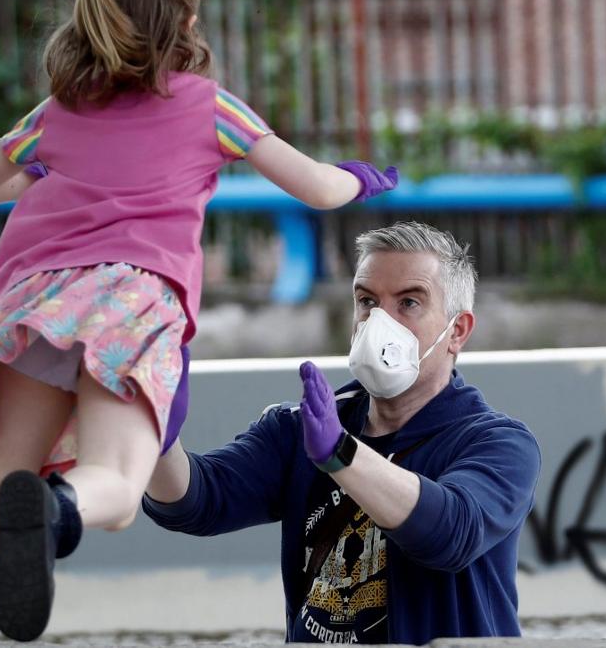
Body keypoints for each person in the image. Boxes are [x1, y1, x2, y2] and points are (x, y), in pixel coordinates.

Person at [0, 0, 399, 642]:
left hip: (39, 301)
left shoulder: (57, 114)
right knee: (112, 485)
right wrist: (362, 179)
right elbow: (319, 188)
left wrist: (44, 168)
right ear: (184, 23)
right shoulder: (211, 107)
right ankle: (53, 512)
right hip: (130, 303)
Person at [143, 221, 541, 645]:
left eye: (408, 302)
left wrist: (340, 454)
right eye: (367, 301)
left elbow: (450, 534)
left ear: (457, 331)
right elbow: (197, 501)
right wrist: (155, 436)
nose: (379, 321)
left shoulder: (499, 444)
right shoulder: (302, 427)